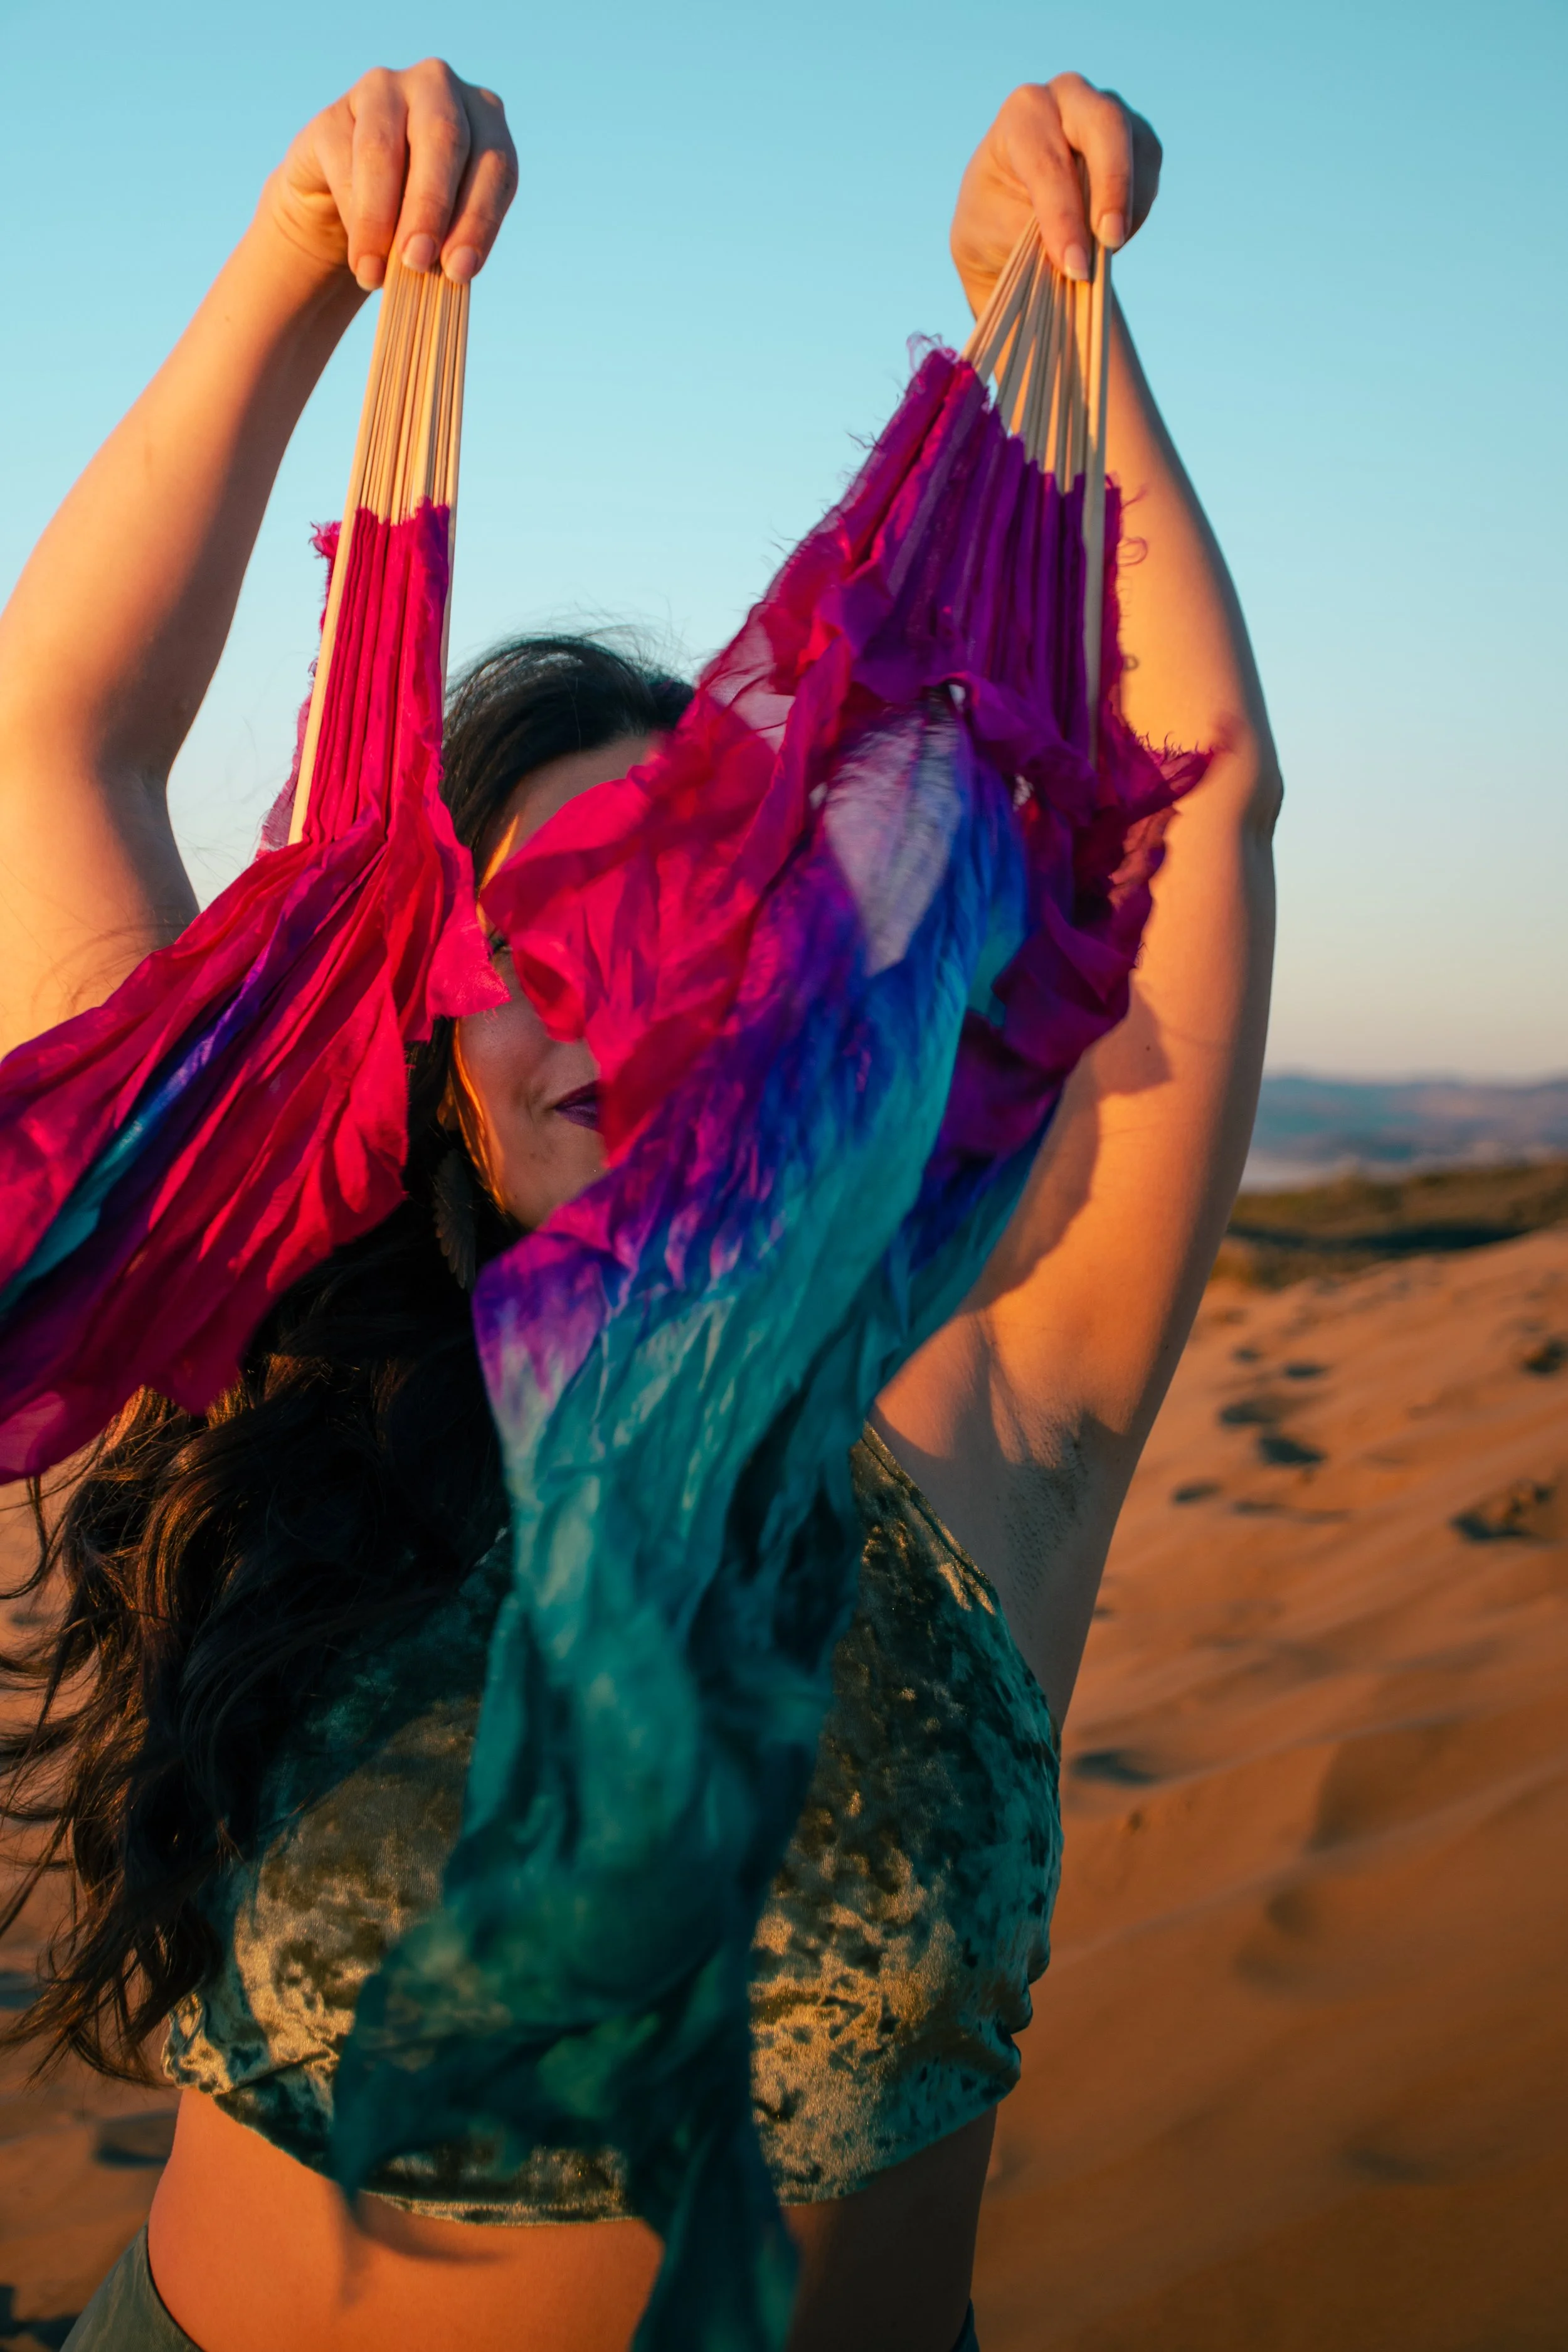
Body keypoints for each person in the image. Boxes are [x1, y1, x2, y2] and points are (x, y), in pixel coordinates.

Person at [0, 56, 1279, 2352]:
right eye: (527, 933)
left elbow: (1202, 805)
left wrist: (1044, 325)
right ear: (428, 1031)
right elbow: (58, 734)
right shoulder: (263, 1328)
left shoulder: (985, 1415)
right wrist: (305, 259)